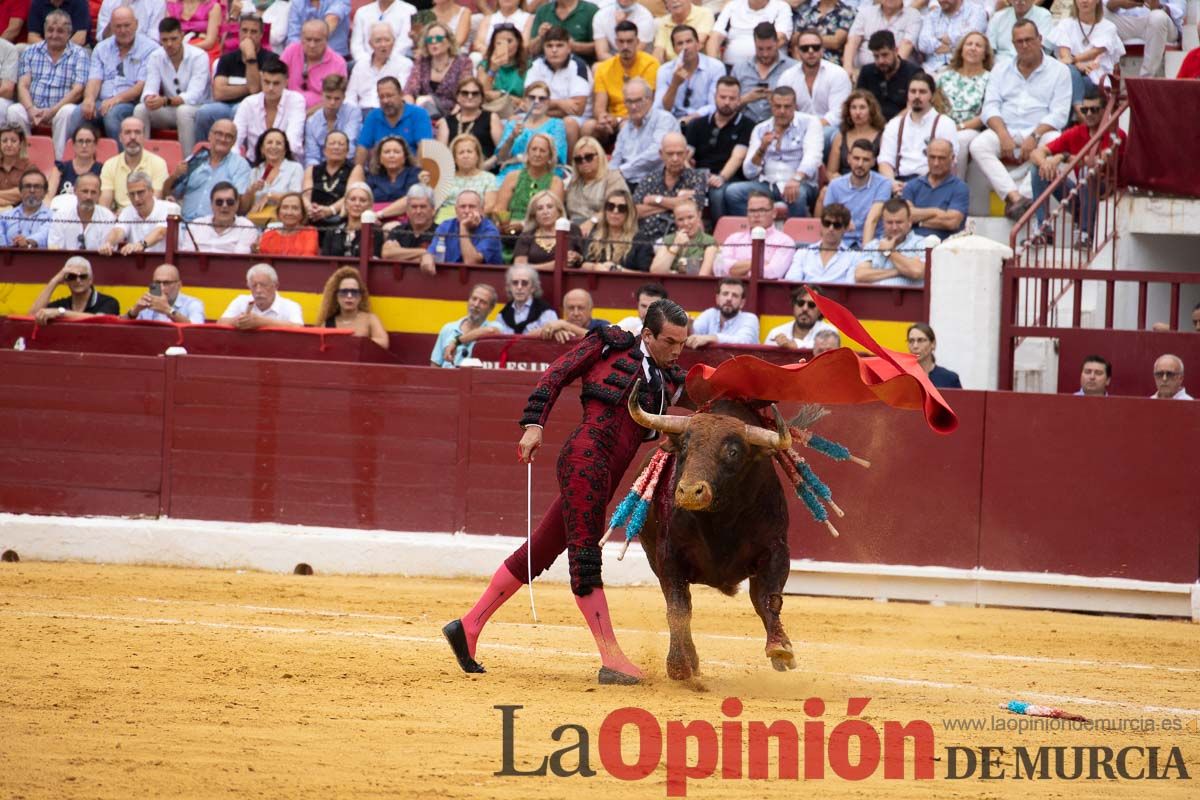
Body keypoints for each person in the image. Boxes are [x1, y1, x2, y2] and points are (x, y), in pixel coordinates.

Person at [443, 298, 691, 685]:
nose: (677, 351)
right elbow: (556, 373)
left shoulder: (669, 380)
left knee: (540, 550)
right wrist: (533, 424)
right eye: (671, 342)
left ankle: (468, 626)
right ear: (648, 334)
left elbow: (701, 401)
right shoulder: (611, 344)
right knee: (586, 558)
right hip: (584, 461)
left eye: (682, 343)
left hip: (606, 475)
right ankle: (611, 658)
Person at [969, 20, 1071, 222]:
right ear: (1013, 44)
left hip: (1039, 130)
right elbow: (990, 107)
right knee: (978, 145)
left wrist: (1035, 135)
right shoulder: (1001, 69)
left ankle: (1024, 198)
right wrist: (1002, 134)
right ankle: (1014, 197)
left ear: (1040, 40)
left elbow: (1059, 114)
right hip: (1006, 129)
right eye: (1019, 41)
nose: (1024, 45)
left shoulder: (1060, 71)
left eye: (1029, 40)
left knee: (1054, 141)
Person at [1029, 84, 1125, 249]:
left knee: (1086, 172)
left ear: (1105, 111)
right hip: (1082, 194)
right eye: (1084, 109)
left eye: (1094, 110)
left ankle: (1086, 234)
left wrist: (1061, 157)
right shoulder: (1077, 132)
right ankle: (1044, 231)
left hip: (1105, 190)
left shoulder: (1116, 133)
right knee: (1037, 170)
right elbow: (1035, 153)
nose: (1088, 114)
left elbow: (1097, 161)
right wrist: (1045, 163)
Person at [728, 85, 822, 217]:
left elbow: (813, 157)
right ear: (771, 106)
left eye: (787, 106)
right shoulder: (761, 129)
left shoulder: (810, 123)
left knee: (797, 194)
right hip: (768, 185)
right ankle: (752, 232)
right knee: (733, 192)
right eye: (777, 106)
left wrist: (796, 179)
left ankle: (795, 236)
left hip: (800, 183)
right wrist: (762, 149)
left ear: (795, 106)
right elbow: (749, 172)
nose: (782, 111)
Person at [8, 9, 89, 160]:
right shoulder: (31, 51)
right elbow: (23, 85)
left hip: (59, 108)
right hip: (33, 108)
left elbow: (78, 90)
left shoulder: (80, 54)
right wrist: (31, 109)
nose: (54, 35)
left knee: (68, 112)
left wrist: (52, 111)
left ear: (69, 33)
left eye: (60, 31)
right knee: (14, 110)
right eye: (50, 30)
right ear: (44, 31)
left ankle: (59, 161)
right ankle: (27, 157)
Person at [70, 6, 158, 141]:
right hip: (103, 101)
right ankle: (76, 160)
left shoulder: (150, 49)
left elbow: (141, 86)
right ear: (111, 27)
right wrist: (89, 99)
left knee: (112, 114)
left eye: (127, 25)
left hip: (130, 102)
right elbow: (94, 79)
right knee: (78, 112)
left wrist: (116, 100)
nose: (123, 30)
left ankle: (123, 158)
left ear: (136, 24)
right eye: (118, 26)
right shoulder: (101, 48)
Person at [193, 13, 282, 146]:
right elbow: (219, 92)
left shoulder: (271, 59)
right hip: (226, 105)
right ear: (239, 32)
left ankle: (239, 154)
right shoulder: (227, 58)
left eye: (253, 32)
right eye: (244, 31)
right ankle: (203, 153)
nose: (248, 36)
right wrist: (252, 85)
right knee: (204, 112)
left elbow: (255, 92)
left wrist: (250, 56)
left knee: (239, 110)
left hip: (256, 106)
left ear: (261, 35)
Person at [134, 18, 211, 155]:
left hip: (198, 109)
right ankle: (142, 161)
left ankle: (188, 163)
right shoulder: (155, 57)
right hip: (171, 108)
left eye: (174, 39)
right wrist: (150, 99)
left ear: (182, 36)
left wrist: (164, 101)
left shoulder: (199, 56)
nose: (169, 44)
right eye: (164, 40)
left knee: (184, 111)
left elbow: (194, 95)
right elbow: (150, 87)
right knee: (140, 109)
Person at [682, 76, 753, 220]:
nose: (727, 102)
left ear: (739, 100)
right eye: (723, 97)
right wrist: (694, 175)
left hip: (731, 177)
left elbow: (738, 156)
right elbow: (684, 156)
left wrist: (721, 177)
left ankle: (719, 237)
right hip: (699, 175)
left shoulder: (747, 125)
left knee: (718, 192)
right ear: (715, 97)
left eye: (732, 98)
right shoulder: (697, 125)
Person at [163, 118, 253, 222]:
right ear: (210, 136)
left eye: (229, 136)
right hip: (185, 225)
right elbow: (167, 194)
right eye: (219, 134)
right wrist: (174, 176)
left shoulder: (240, 165)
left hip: (216, 227)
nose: (223, 139)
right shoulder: (195, 160)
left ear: (234, 141)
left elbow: (242, 208)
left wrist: (251, 193)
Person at [585, 21, 661, 145]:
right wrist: (604, 117)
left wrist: (620, 119)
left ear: (637, 42)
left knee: (626, 126)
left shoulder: (651, 64)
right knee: (589, 126)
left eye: (629, 41)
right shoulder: (604, 68)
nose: (625, 46)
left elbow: (648, 105)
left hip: (639, 117)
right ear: (616, 43)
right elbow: (599, 106)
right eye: (621, 41)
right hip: (612, 120)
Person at [778, 28, 852, 153]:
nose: (811, 51)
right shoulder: (787, 76)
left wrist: (809, 130)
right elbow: (782, 110)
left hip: (828, 132)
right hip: (795, 132)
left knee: (831, 134)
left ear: (822, 50)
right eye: (805, 48)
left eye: (815, 47)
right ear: (797, 51)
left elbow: (837, 115)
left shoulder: (838, 74)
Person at [877, 72, 957, 185]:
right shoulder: (894, 124)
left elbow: (949, 162)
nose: (917, 96)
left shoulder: (945, 123)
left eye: (922, 92)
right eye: (913, 91)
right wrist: (893, 183)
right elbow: (885, 161)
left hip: (931, 184)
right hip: (899, 183)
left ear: (932, 95)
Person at [632, 131, 708, 242]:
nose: (675, 158)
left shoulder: (697, 178)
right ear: (661, 154)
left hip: (680, 241)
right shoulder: (650, 178)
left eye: (679, 153)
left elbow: (694, 211)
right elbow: (635, 212)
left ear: (687, 154)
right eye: (670, 154)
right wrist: (678, 203)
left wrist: (655, 199)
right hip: (646, 240)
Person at [938, 31, 992, 181]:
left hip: (970, 129)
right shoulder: (945, 75)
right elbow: (932, 103)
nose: (973, 48)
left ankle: (955, 184)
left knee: (959, 140)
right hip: (942, 126)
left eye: (978, 45)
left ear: (985, 54)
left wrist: (959, 127)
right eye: (969, 44)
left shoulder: (990, 79)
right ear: (961, 50)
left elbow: (986, 114)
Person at [818, 138, 892, 247]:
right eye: (856, 158)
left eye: (866, 160)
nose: (860, 164)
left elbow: (872, 220)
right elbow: (829, 219)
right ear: (848, 158)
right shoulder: (835, 185)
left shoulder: (883, 184)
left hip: (873, 242)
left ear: (873, 162)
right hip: (842, 243)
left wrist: (866, 254)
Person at [1050, 0, 1124, 107]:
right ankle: (1078, 109)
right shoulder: (1065, 24)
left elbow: (1095, 52)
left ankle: (1076, 111)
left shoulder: (1108, 27)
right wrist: (1078, 66)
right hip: (1071, 73)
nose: (1084, 1)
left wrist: (1074, 61)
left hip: (1096, 78)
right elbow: (1064, 55)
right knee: (1069, 73)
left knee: (1068, 82)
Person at [523, 25, 590, 141]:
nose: (554, 50)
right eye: (549, 46)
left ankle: (567, 160)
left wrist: (542, 106)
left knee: (569, 123)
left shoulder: (578, 66)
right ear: (543, 48)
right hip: (543, 115)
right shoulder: (536, 65)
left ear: (569, 48)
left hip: (576, 119)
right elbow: (527, 102)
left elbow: (577, 109)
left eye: (559, 45)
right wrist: (560, 103)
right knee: (515, 120)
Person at [493, 81, 569, 180]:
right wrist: (512, 137)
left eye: (542, 98)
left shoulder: (557, 125)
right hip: (512, 173)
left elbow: (557, 158)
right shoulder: (513, 124)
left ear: (548, 102)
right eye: (532, 97)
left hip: (544, 173)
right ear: (525, 101)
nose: (536, 102)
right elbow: (500, 159)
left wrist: (518, 158)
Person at [233, 60, 307, 161]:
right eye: (266, 82)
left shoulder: (296, 100)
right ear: (261, 79)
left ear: (286, 82)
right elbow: (235, 140)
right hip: (254, 164)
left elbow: (293, 141)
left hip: (286, 163)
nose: (270, 88)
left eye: (276, 83)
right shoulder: (248, 103)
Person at [714, 190, 795, 279]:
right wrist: (758, 263)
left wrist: (737, 270)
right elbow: (722, 268)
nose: (756, 215)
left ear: (774, 213)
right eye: (752, 211)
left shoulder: (785, 242)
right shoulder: (733, 239)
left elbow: (772, 273)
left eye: (762, 210)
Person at [899, 138, 969, 241]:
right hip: (913, 246)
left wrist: (919, 221)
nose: (936, 163)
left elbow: (952, 222)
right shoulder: (912, 185)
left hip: (946, 247)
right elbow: (905, 216)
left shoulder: (960, 187)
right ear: (927, 157)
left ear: (952, 158)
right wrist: (936, 211)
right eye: (932, 157)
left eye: (941, 158)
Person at [494, 132, 564, 233]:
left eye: (542, 151)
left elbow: (554, 215)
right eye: (534, 149)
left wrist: (523, 225)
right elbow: (499, 208)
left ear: (550, 156)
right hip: (509, 231)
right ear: (527, 152)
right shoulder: (512, 176)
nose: (537, 154)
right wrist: (505, 223)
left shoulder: (556, 182)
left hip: (541, 232)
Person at [421, 189, 504, 271]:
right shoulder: (445, 226)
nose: (467, 211)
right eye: (462, 206)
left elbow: (471, 263)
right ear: (456, 210)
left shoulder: (491, 231)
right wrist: (427, 257)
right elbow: (431, 252)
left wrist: (463, 228)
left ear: (481, 210)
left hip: (482, 280)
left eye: (472, 206)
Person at [656, 24, 725, 122]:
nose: (685, 47)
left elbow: (715, 105)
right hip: (672, 121)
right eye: (680, 43)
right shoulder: (664, 70)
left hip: (703, 121)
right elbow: (662, 109)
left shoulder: (716, 67)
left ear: (698, 44)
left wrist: (691, 119)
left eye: (689, 41)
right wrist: (674, 85)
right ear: (674, 49)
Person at [730, 22, 796, 125]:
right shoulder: (740, 68)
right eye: (760, 49)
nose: (765, 54)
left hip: (780, 125)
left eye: (769, 48)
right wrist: (746, 99)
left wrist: (777, 102)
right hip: (744, 126)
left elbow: (801, 107)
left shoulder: (792, 68)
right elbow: (727, 105)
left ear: (777, 43)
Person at [857, 197, 933, 286]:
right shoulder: (872, 246)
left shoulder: (922, 243)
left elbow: (917, 272)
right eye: (889, 222)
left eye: (899, 222)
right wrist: (900, 271)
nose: (894, 227)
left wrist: (889, 252)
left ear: (909, 222)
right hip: (875, 298)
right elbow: (860, 275)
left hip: (908, 298)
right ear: (883, 223)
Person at [357, 76, 434, 163]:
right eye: (381, 97)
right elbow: (362, 147)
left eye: (389, 96)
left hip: (410, 169)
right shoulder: (373, 116)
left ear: (401, 95)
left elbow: (424, 147)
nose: (385, 101)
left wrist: (417, 173)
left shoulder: (419, 113)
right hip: (381, 171)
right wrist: (358, 169)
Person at [404, 23, 474, 119]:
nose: (433, 42)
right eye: (429, 40)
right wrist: (411, 113)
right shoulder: (421, 61)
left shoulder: (463, 63)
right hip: (423, 114)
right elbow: (409, 91)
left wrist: (451, 120)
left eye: (439, 39)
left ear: (449, 42)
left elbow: (466, 94)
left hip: (453, 114)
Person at [97, 117, 167, 213]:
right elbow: (104, 203)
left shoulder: (158, 163)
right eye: (128, 132)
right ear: (120, 137)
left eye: (137, 132)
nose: (133, 137)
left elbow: (154, 200)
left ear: (144, 137)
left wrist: (126, 214)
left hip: (147, 218)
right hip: (118, 219)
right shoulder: (110, 165)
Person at [564, 134, 628, 236]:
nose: (584, 161)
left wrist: (592, 221)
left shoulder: (612, 177)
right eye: (578, 159)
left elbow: (618, 208)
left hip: (602, 229)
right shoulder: (573, 182)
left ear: (599, 156)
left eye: (588, 157)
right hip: (573, 230)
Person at [579, 187, 655, 272]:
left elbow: (645, 274)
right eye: (610, 206)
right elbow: (583, 264)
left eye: (621, 208)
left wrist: (619, 270)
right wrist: (595, 267)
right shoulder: (595, 234)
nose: (615, 211)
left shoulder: (640, 239)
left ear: (629, 212)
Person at [280, 19, 347, 113]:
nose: (312, 45)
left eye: (317, 40)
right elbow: (277, 81)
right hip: (287, 110)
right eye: (308, 39)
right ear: (301, 38)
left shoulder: (338, 63)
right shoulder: (290, 51)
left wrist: (305, 115)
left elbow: (335, 98)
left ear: (327, 40)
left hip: (320, 114)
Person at [782, 202, 859, 283]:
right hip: (806, 294)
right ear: (821, 224)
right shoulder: (802, 253)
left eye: (837, 225)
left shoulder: (853, 257)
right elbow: (791, 283)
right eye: (827, 223)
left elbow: (850, 288)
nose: (831, 228)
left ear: (845, 228)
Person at [100, 171, 174, 255]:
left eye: (140, 192)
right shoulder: (127, 211)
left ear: (152, 191)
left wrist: (141, 245)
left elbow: (161, 232)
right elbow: (118, 231)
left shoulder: (170, 208)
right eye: (132, 194)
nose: (136, 199)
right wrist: (109, 243)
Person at [314, 266, 389, 349]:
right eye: (344, 292)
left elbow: (383, 342)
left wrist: (352, 342)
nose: (349, 296)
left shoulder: (370, 319)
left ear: (360, 297)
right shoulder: (327, 324)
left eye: (354, 292)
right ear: (336, 296)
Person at [349, 135, 423, 219]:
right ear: (380, 158)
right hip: (373, 219)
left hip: (404, 221)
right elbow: (363, 198)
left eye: (396, 152)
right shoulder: (374, 175)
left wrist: (379, 214)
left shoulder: (414, 173)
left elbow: (412, 199)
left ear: (404, 157)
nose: (391, 156)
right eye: (387, 152)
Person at [855, 31, 922, 122]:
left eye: (885, 55)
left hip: (903, 124)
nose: (881, 61)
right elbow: (859, 102)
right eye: (876, 56)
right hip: (871, 124)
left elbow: (913, 107)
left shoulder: (913, 73)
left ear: (895, 50)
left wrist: (890, 127)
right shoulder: (867, 72)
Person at [30, 256, 120, 324]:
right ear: (65, 281)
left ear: (91, 279)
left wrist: (61, 313)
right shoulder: (61, 304)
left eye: (83, 276)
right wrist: (55, 281)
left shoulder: (109, 302)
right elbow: (32, 316)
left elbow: (100, 320)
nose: (78, 280)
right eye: (72, 277)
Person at [1105, 0, 1183, 78]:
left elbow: (1180, 8)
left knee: (1157, 17)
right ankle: (1102, 74)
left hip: (1160, 23)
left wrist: (1159, 6)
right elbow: (1105, 5)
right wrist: (1119, 3)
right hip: (1126, 22)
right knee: (1098, 10)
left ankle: (1145, 78)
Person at [431, 282, 502, 367]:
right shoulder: (448, 328)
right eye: (474, 299)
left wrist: (456, 342)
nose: (476, 305)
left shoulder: (494, 327)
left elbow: (491, 331)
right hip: (448, 378)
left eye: (482, 302)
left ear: (491, 309)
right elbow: (435, 366)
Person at [845, 0, 921, 79]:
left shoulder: (913, 15)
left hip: (894, 73)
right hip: (861, 71)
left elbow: (907, 45)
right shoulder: (865, 13)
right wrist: (848, 68)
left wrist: (893, 70)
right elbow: (852, 41)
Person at [241, 127, 304, 222]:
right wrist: (250, 191)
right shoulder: (255, 171)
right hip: (256, 222)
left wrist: (269, 196)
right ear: (262, 149)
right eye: (269, 142)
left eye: (278, 143)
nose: (274, 146)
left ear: (285, 149)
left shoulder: (295, 168)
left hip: (284, 223)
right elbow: (244, 209)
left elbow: (297, 199)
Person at [348, 23, 414, 112]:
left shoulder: (405, 64)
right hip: (361, 111)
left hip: (389, 111)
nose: (383, 45)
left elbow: (401, 94)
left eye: (387, 40)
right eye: (378, 41)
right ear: (370, 44)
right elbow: (350, 96)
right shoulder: (360, 65)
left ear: (394, 42)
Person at [180, 182, 261, 253]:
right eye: (219, 202)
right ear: (211, 204)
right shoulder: (195, 226)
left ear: (237, 204)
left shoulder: (247, 227)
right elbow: (187, 257)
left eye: (230, 202)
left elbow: (240, 258)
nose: (224, 206)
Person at [218, 262, 305, 328]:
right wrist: (236, 321)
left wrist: (262, 322)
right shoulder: (241, 301)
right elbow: (220, 323)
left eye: (263, 285)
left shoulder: (290, 306)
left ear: (275, 286)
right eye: (254, 285)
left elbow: (299, 327)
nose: (258, 290)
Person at [709, 0, 792, 67]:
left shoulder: (781, 6)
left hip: (769, 67)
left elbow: (781, 38)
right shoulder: (732, 5)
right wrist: (714, 67)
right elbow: (715, 37)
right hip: (731, 67)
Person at [436, 79, 501, 164]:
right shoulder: (446, 122)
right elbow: (441, 156)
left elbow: (501, 151)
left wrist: (483, 167)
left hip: (487, 169)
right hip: (455, 172)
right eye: (465, 93)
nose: (470, 96)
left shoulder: (492, 117)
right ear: (457, 97)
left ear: (481, 97)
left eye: (475, 93)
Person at [514, 190, 583, 268]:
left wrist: (577, 257)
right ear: (534, 214)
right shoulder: (527, 235)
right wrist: (556, 265)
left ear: (559, 211)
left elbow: (583, 261)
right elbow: (519, 267)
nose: (545, 212)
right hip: (535, 278)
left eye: (550, 207)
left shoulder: (572, 229)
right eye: (540, 208)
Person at [305, 76, 363, 169]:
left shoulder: (352, 112)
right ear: (322, 95)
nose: (332, 102)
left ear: (344, 97)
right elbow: (312, 156)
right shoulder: (311, 122)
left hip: (348, 164)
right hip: (322, 168)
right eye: (328, 97)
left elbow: (349, 147)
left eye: (337, 99)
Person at [437, 133, 497, 222]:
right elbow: (434, 205)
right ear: (454, 158)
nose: (465, 156)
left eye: (469, 151)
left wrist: (468, 219)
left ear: (477, 155)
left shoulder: (488, 178)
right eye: (461, 152)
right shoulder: (445, 179)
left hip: (476, 221)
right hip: (445, 223)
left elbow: (489, 206)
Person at [825, 88, 884, 177]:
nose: (857, 112)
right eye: (853, 107)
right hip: (845, 184)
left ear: (871, 110)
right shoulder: (840, 137)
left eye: (862, 107)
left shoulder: (882, 137)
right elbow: (831, 172)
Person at [650, 198, 716, 275]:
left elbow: (703, 276)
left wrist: (672, 272)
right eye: (680, 219)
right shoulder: (668, 240)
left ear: (698, 216)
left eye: (690, 217)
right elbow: (656, 272)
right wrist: (675, 246)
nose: (686, 223)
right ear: (675, 221)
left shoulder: (709, 241)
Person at [49, 173, 115, 250]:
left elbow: (107, 250)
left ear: (99, 194)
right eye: (85, 191)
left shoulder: (107, 217)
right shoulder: (60, 216)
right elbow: (55, 249)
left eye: (93, 192)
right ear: (75, 191)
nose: (88, 197)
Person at [917, 0, 987, 73]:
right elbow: (923, 44)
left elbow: (970, 38)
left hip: (961, 68)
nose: (941, 0)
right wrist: (954, 48)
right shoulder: (932, 15)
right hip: (932, 69)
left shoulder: (975, 11)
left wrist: (940, 38)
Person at [688, 278, 760, 347]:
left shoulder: (750, 318)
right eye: (725, 294)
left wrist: (713, 338)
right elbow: (694, 335)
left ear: (742, 303)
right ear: (717, 299)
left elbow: (745, 341)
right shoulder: (710, 314)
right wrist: (688, 326)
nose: (729, 298)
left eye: (735, 295)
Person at [477, 22, 529, 117]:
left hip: (518, 113)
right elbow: (481, 96)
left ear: (518, 42)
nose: (506, 46)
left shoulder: (528, 66)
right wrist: (492, 70)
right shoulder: (484, 65)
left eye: (509, 41)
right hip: (490, 113)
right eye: (499, 43)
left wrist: (501, 95)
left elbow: (528, 101)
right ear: (493, 45)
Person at [124, 262, 206, 323]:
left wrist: (168, 310)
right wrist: (134, 312)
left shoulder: (193, 304)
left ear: (179, 285)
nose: (161, 288)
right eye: (157, 282)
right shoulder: (147, 303)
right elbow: (121, 329)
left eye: (166, 283)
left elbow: (196, 329)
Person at [488, 264, 558, 334]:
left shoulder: (546, 312)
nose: (519, 287)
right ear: (510, 287)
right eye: (515, 283)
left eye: (524, 283)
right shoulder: (502, 315)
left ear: (533, 288)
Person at [303, 130, 354, 227]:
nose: (336, 147)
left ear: (347, 151)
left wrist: (330, 210)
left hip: (340, 218)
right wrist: (310, 209)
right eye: (332, 143)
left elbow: (350, 195)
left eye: (341, 144)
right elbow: (306, 195)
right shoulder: (311, 169)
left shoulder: (355, 169)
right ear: (324, 150)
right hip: (314, 216)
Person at [320, 182, 383, 257]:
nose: (357, 204)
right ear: (346, 204)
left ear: (369, 205)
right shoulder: (332, 232)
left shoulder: (375, 232)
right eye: (352, 199)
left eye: (362, 200)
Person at [764, 285, 839, 349]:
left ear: (820, 310)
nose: (805, 309)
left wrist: (796, 345)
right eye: (800, 303)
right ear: (794, 306)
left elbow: (824, 350)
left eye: (811, 305)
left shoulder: (829, 331)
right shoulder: (776, 332)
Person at [528, 0, 598, 62]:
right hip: (546, 65)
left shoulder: (590, 11)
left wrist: (575, 47)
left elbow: (600, 47)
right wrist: (540, 37)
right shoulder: (543, 11)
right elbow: (531, 50)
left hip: (581, 64)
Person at [381, 183, 438, 259]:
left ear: (433, 210)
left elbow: (438, 258)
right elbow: (386, 253)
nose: (418, 211)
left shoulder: (440, 231)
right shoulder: (398, 230)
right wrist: (425, 252)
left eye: (423, 207)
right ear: (407, 210)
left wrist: (399, 252)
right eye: (414, 207)